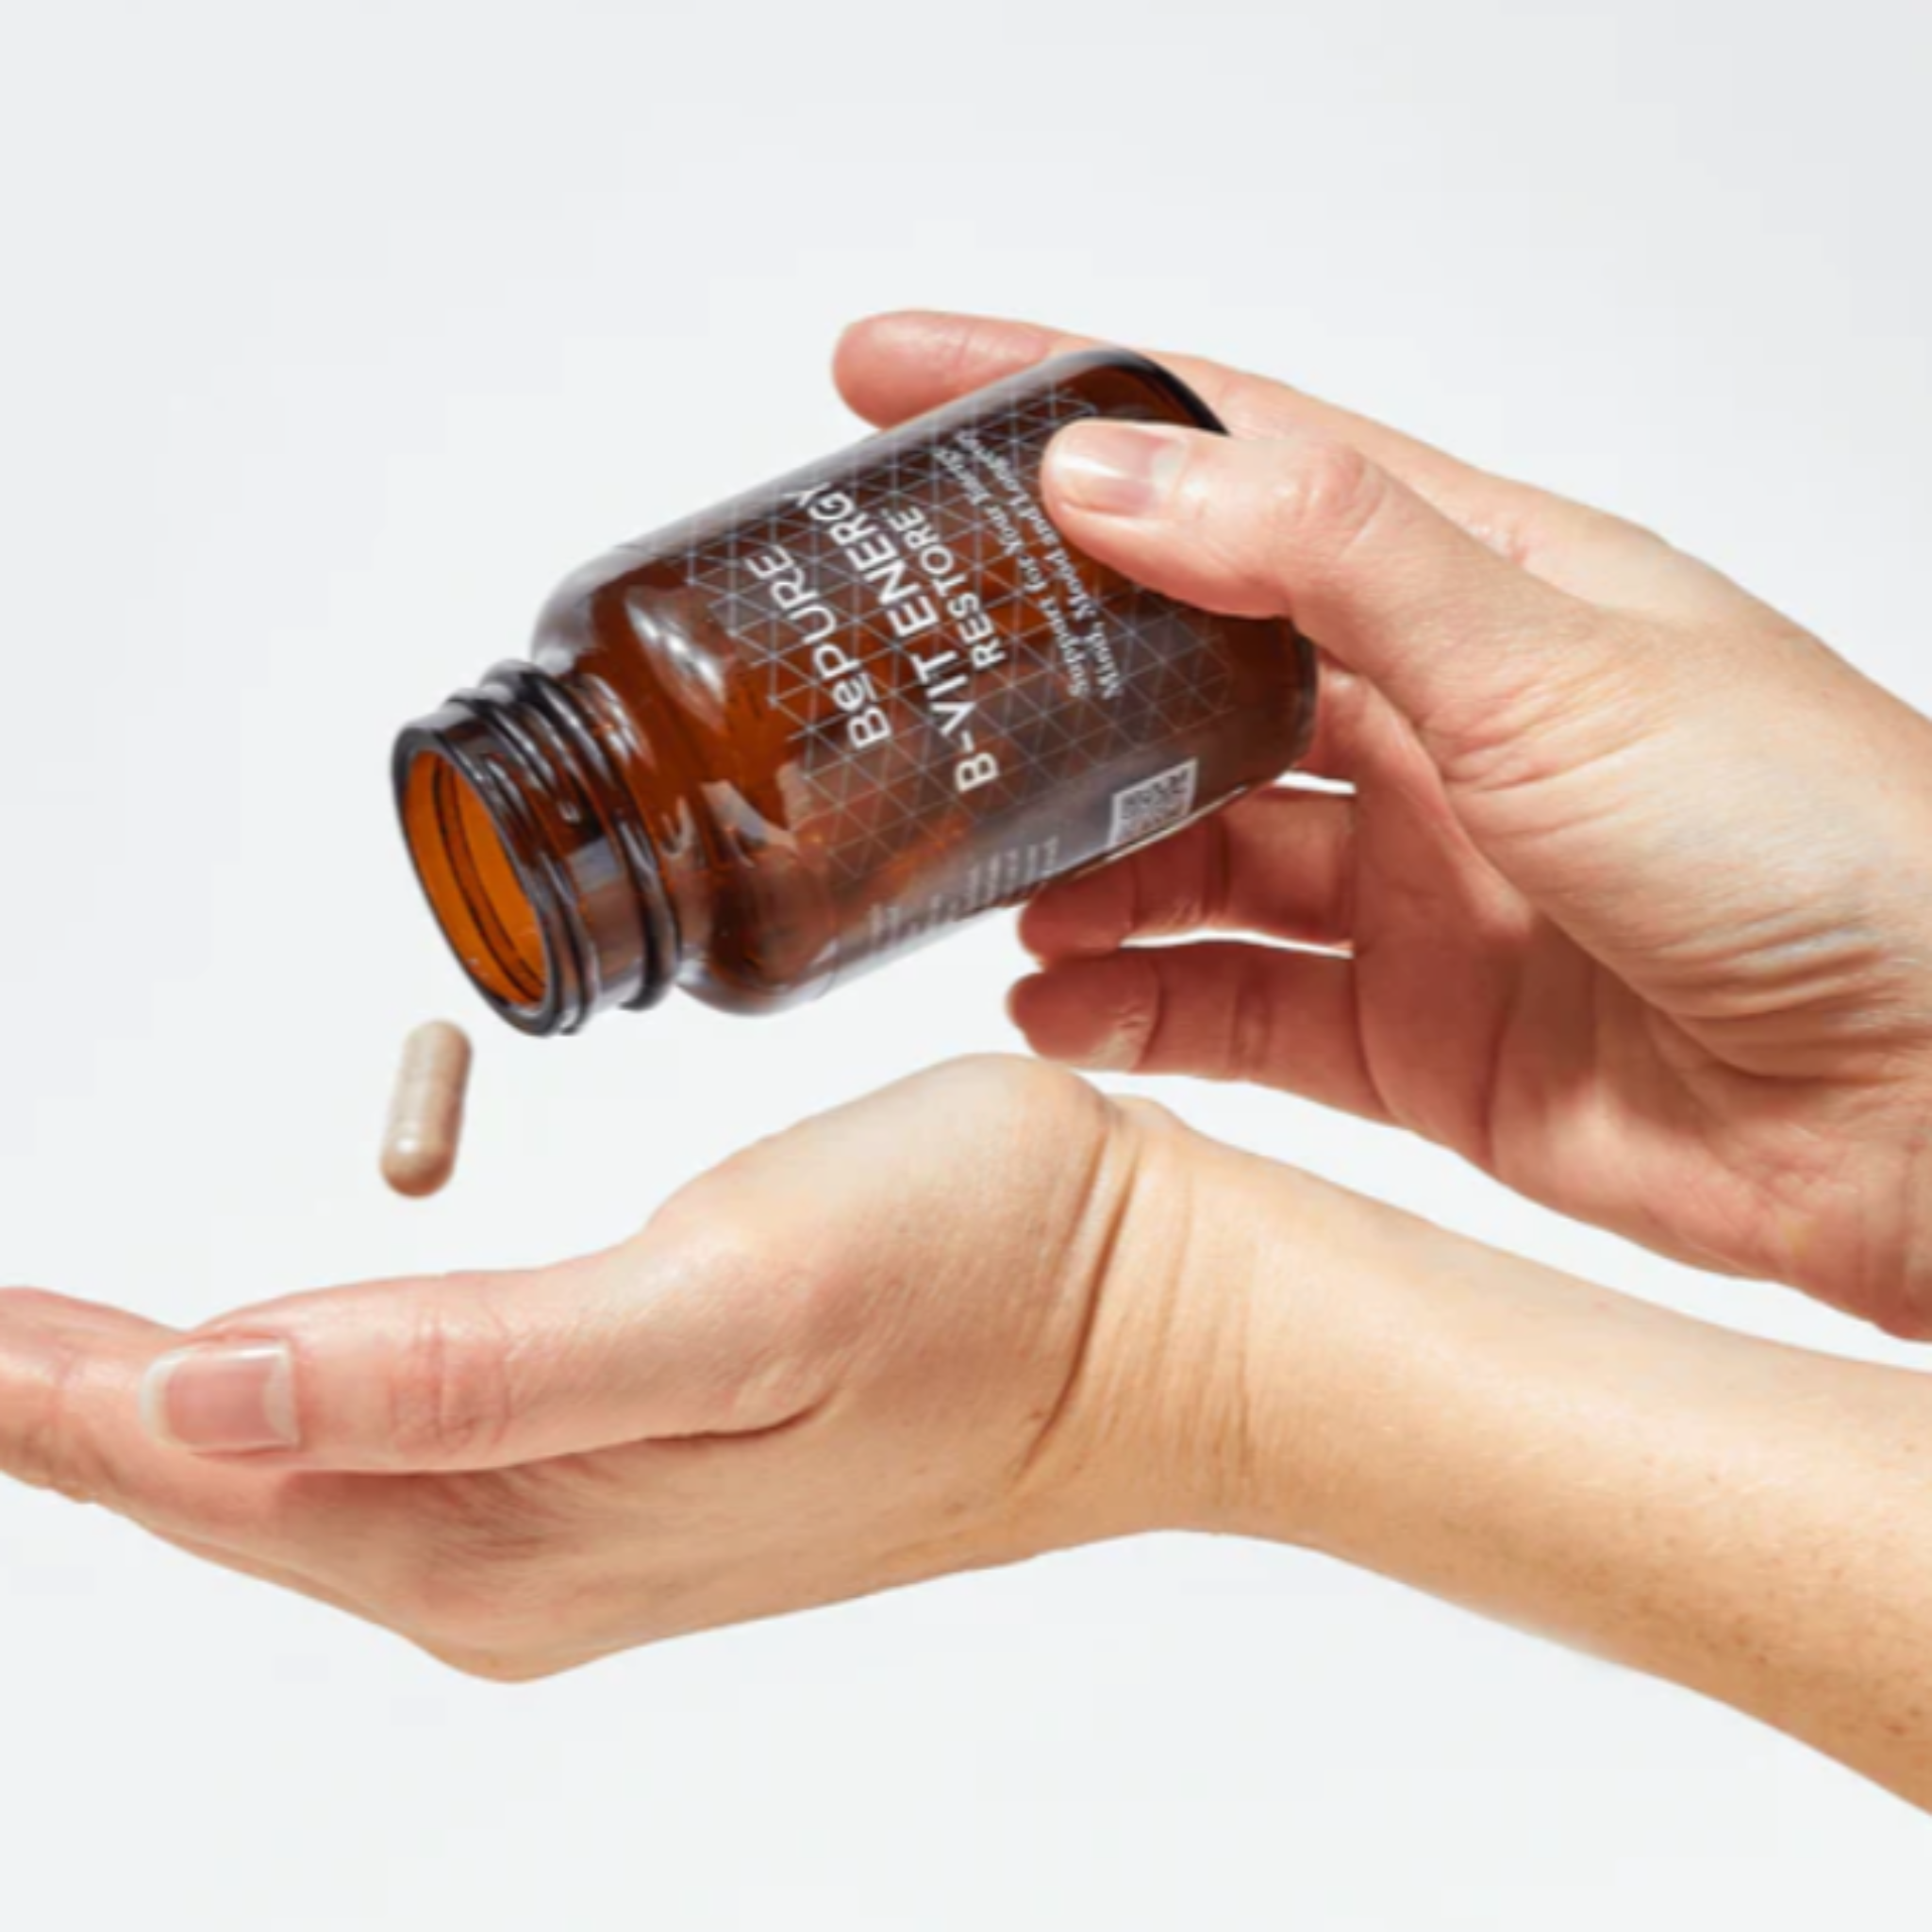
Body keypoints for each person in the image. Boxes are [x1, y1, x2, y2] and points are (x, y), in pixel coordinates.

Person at [7, 309, 1932, 1808]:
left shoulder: (661, 709)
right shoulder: (700, 834)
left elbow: (1161, 1330)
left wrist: (1158, 1345)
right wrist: (1900, 1108)